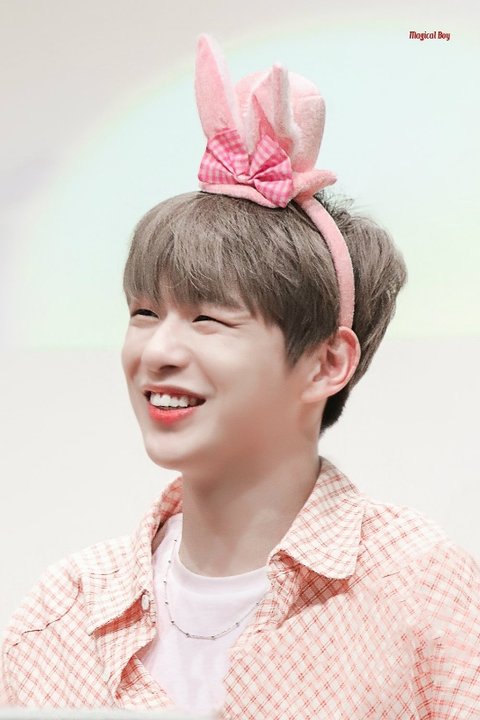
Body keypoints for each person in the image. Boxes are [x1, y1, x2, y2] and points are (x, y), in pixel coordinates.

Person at [1, 35, 479, 719]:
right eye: (144, 313)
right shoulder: (63, 614)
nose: (158, 351)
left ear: (327, 363)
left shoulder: (417, 588)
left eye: (208, 320)